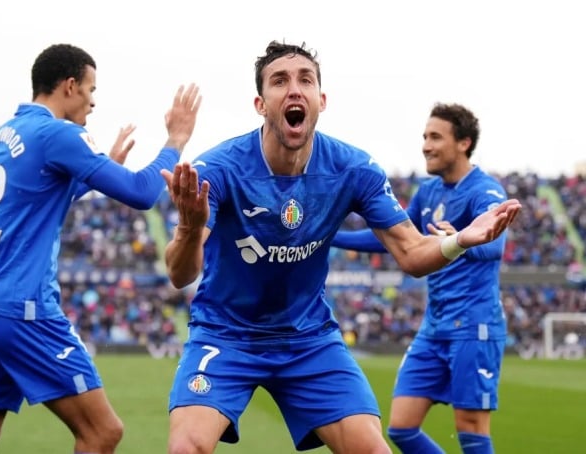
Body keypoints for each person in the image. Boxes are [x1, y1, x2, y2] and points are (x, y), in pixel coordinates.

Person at [160, 40, 520, 454]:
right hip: (226, 334)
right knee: (186, 449)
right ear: (261, 104)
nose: (294, 89)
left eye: (305, 80)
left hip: (308, 339)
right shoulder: (217, 169)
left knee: (376, 450)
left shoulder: (354, 168)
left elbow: (411, 254)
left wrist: (459, 240)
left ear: (321, 99)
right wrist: (190, 226)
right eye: (280, 81)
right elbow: (180, 274)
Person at [0, 43, 201, 454]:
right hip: (22, 307)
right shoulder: (58, 134)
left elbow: (38, 199)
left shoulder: (6, 133)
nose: (93, 101)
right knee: (102, 432)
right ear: (69, 86)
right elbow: (141, 191)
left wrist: (94, 173)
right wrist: (175, 139)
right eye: (90, 89)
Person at [332, 103, 507, 454]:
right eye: (425, 136)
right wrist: (330, 234)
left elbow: (494, 245)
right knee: (401, 427)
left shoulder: (484, 191)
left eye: (436, 137)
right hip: (434, 327)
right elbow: (394, 236)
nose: (426, 145)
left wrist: (460, 238)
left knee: (471, 429)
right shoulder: (428, 192)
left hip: (474, 325)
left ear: (463, 143)